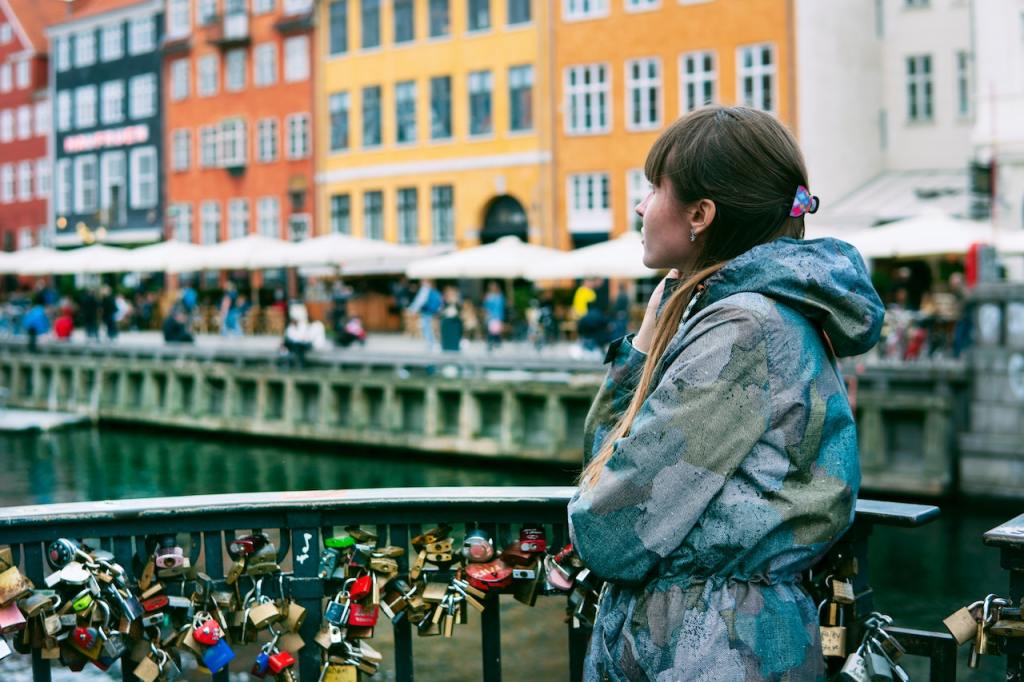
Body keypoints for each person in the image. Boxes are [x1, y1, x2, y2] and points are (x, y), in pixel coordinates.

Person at [567, 106, 885, 681]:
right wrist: (648, 334)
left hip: (709, 650)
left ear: (700, 214)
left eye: (652, 188)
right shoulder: (743, 315)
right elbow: (605, 457)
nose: (640, 207)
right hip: (721, 641)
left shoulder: (742, 330)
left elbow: (610, 529)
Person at [408, 279, 442, 351]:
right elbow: (440, 302)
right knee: (431, 328)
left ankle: (430, 343)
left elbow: (420, 301)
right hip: (433, 312)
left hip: (427, 311)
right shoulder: (434, 291)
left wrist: (412, 309)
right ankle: (432, 343)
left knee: (427, 328)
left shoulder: (425, 290)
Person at [482, 281, 506, 351]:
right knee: (492, 330)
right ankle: (492, 343)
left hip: (497, 316)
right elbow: (486, 306)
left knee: (495, 331)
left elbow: (501, 307)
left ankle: (495, 343)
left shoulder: (499, 296)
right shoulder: (489, 296)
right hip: (491, 316)